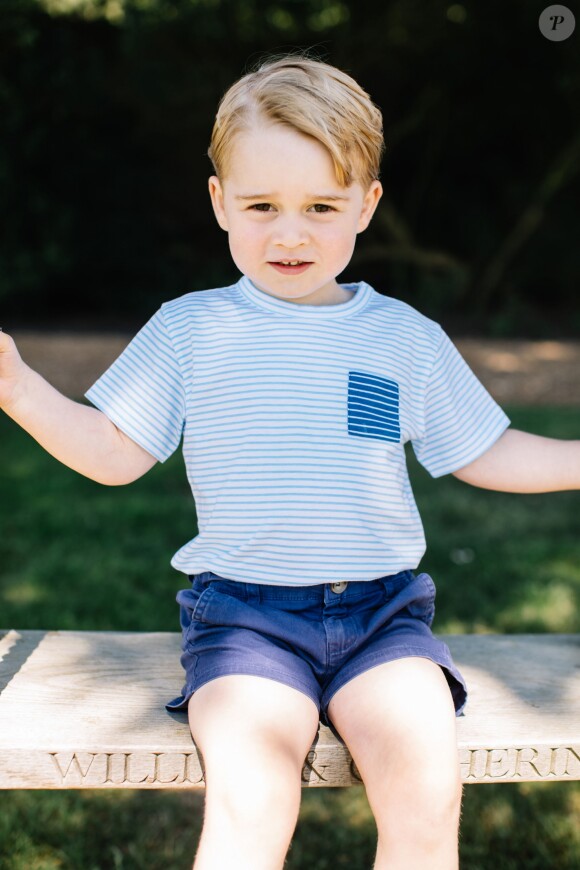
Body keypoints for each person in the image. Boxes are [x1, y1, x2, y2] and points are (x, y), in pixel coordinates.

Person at [1, 54, 579, 870]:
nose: (291, 232)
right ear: (219, 203)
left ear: (367, 205)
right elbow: (111, 454)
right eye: (262, 205)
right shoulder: (189, 330)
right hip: (245, 622)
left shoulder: (402, 337)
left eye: (320, 205)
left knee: (424, 785)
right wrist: (19, 387)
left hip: (384, 620)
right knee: (254, 796)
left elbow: (485, 449)